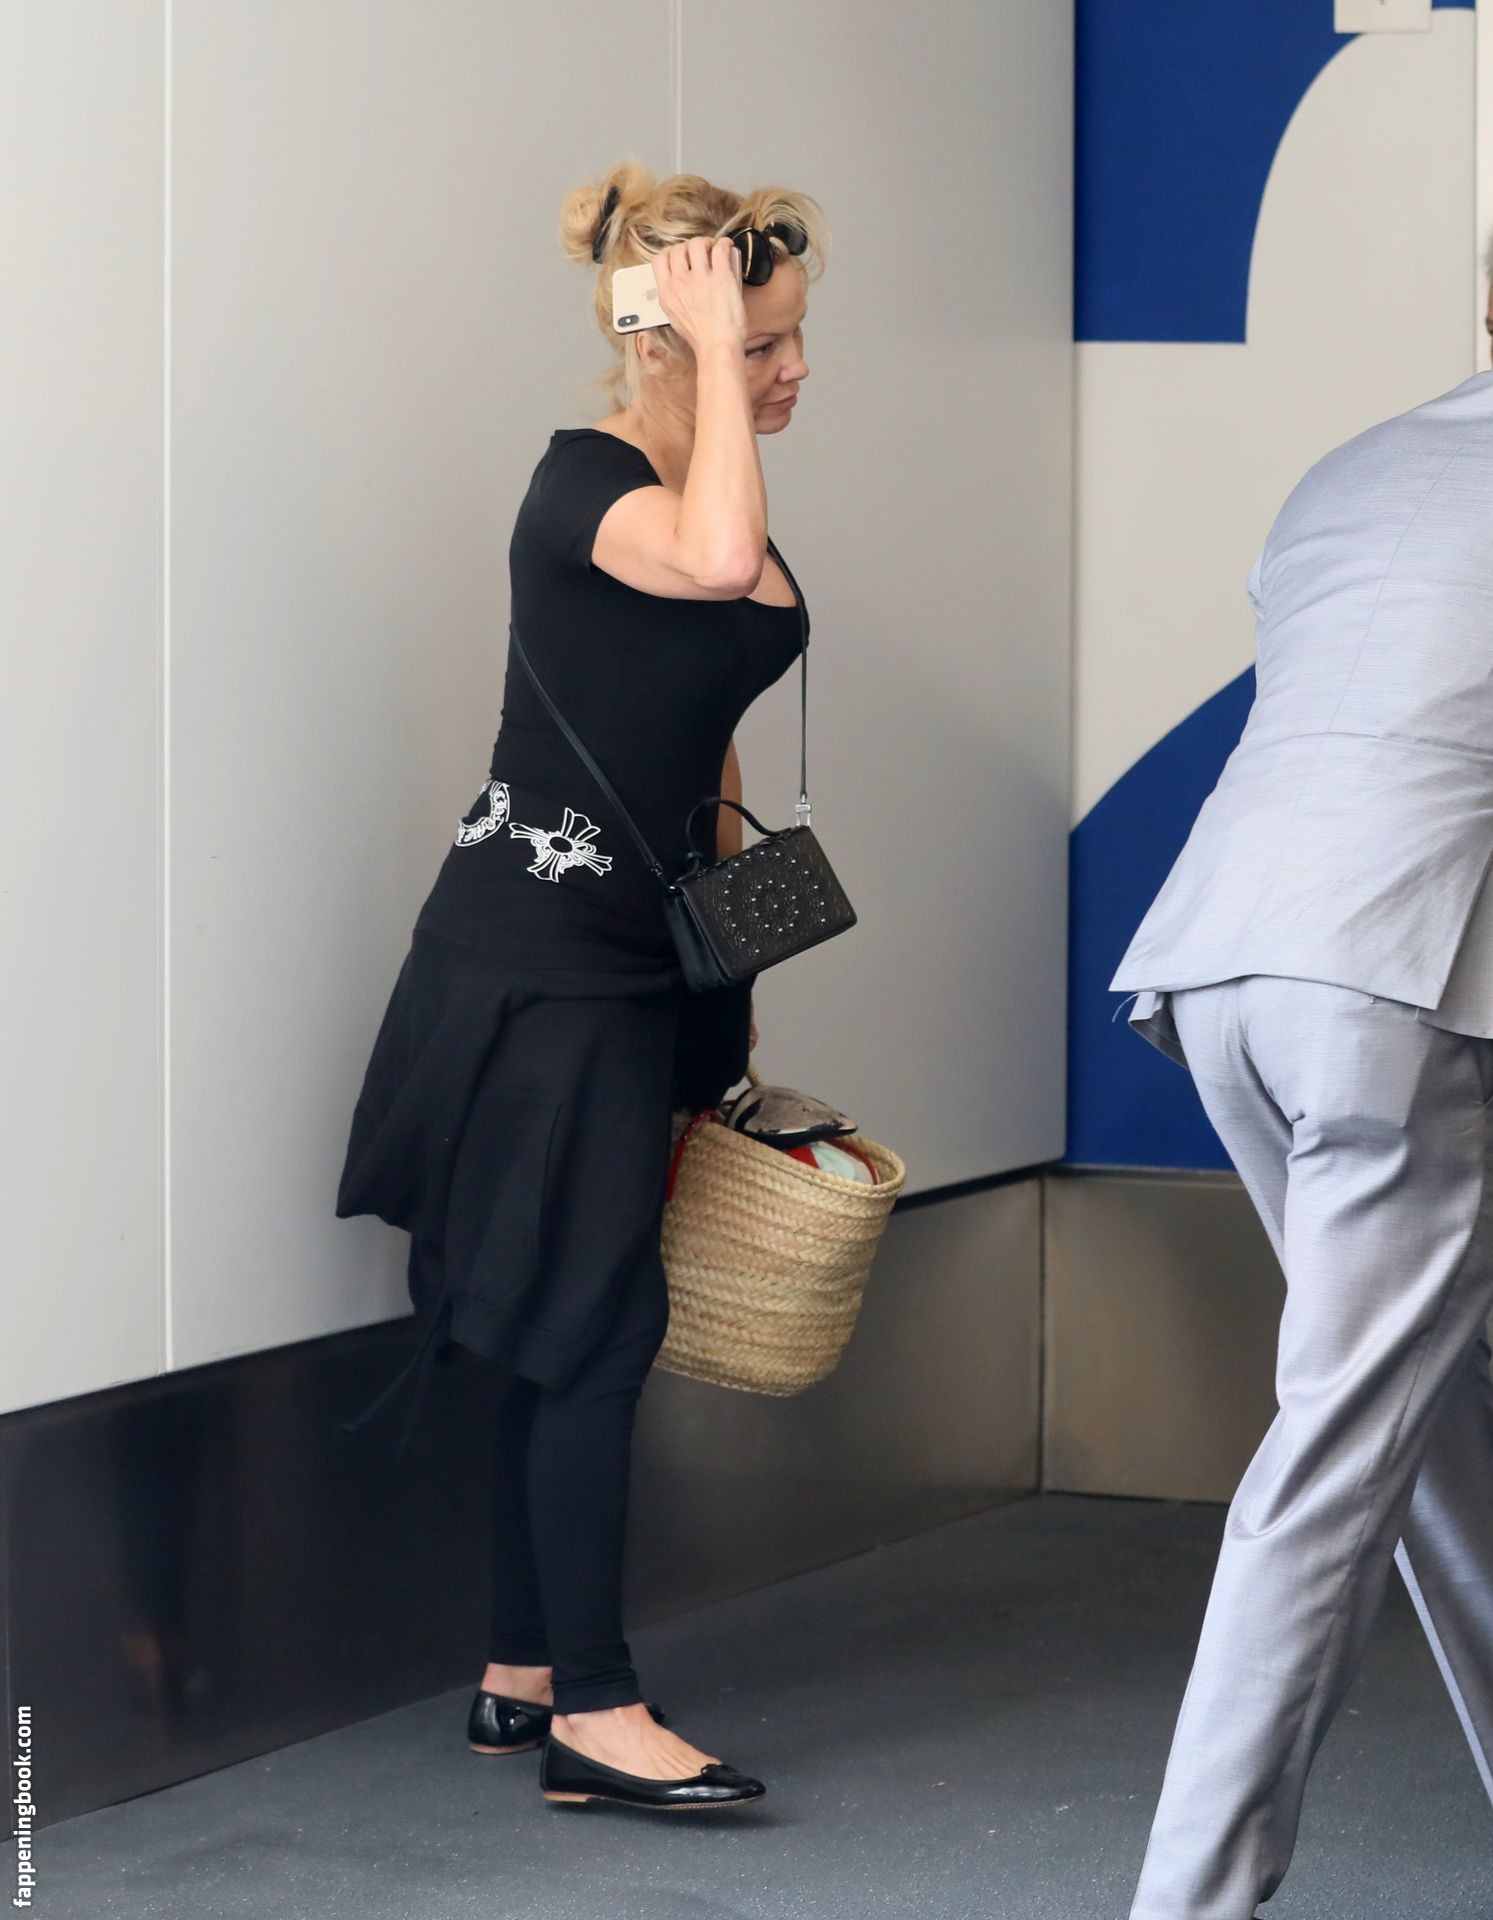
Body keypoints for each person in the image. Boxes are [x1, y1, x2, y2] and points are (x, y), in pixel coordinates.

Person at [333, 162, 824, 1813]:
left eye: (793, 341)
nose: (793, 370)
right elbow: (716, 564)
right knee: (592, 1327)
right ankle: (597, 1718)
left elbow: (702, 737)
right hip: (534, 972)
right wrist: (706, 360)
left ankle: (523, 1668)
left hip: (636, 973)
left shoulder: (698, 487)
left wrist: (731, 976)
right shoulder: (587, 485)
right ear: (670, 335)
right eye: (764, 341)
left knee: (568, 1317)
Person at [1108, 328, 1493, 1917]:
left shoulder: (1357, 465)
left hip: (1225, 967)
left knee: (1422, 1405)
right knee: (1339, 1450)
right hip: (1389, 984)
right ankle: (1187, 1903)